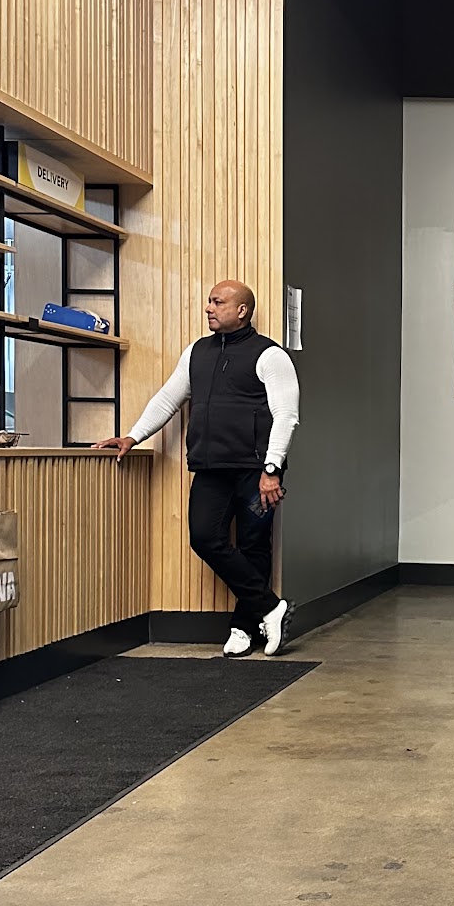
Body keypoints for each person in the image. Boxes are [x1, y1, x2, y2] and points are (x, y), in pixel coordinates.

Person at [96, 280, 300, 658]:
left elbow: (286, 415)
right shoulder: (196, 353)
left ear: (242, 311)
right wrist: (133, 436)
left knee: (254, 545)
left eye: (218, 302)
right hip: (211, 468)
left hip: (257, 471)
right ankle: (271, 608)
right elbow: (167, 399)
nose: (209, 307)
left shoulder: (270, 355)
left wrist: (272, 468)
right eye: (209, 301)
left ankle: (244, 627)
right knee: (205, 538)